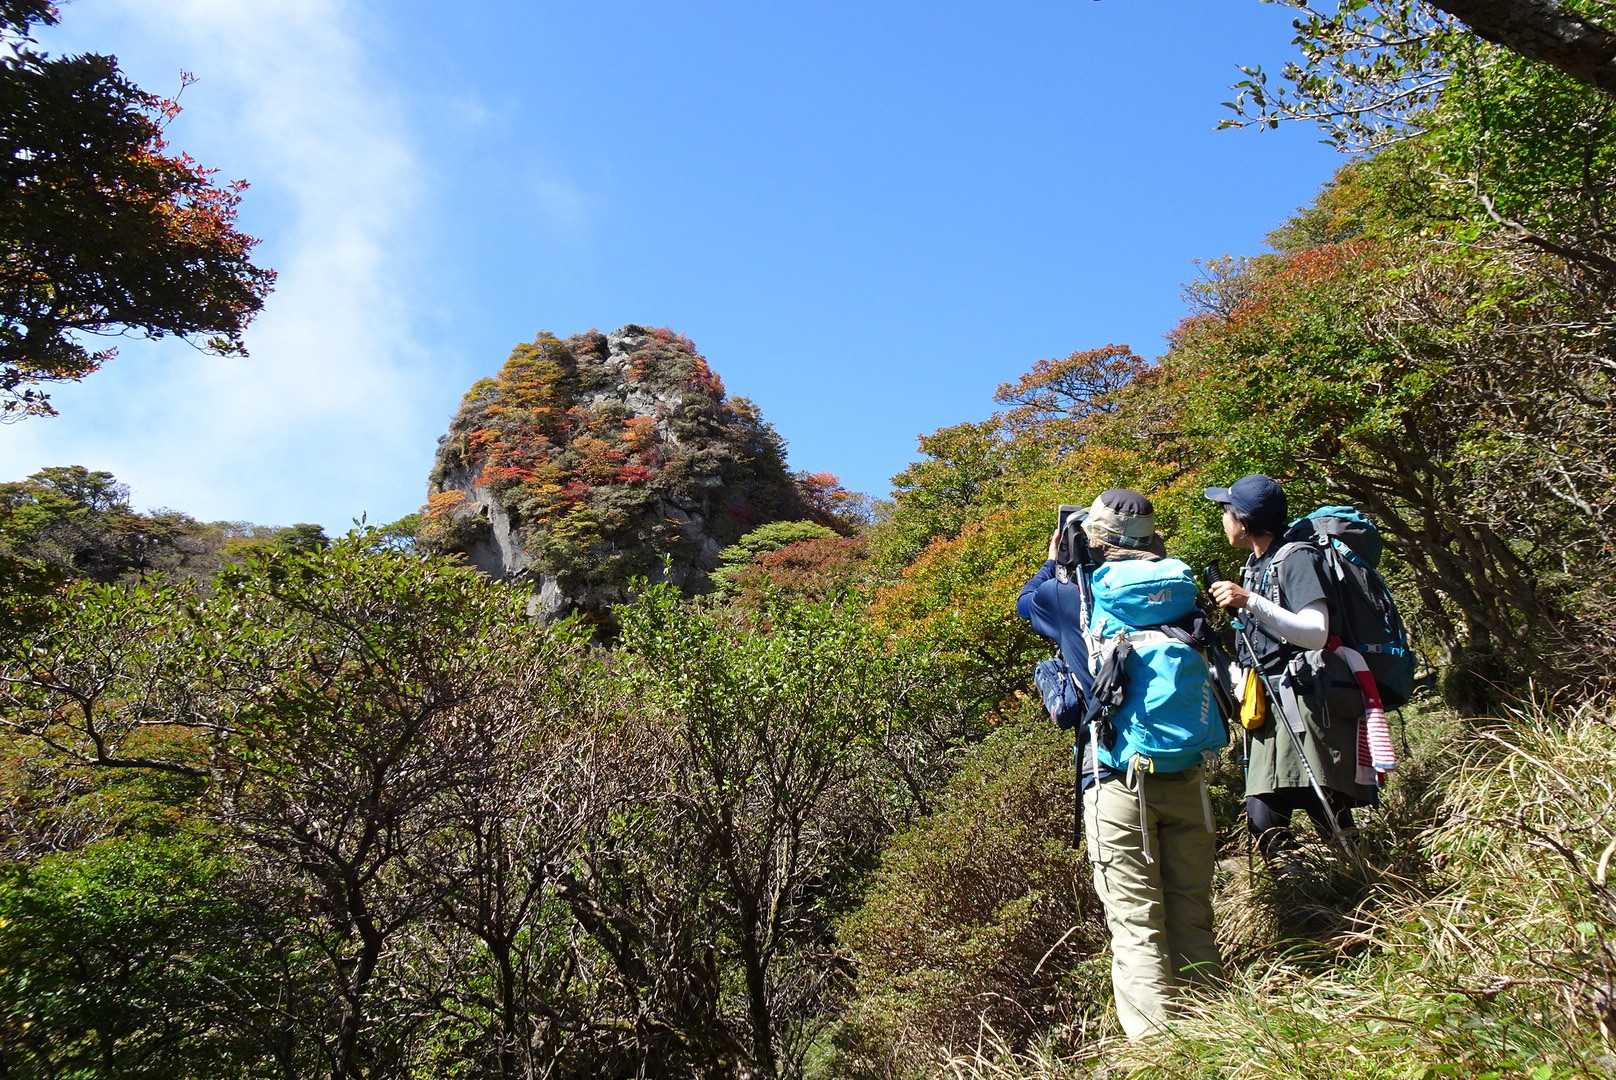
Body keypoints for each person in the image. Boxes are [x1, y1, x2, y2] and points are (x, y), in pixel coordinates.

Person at [1017, 488, 1222, 1042]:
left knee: (1136, 926)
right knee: (1191, 911)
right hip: (1187, 771)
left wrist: (1058, 558)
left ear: (1092, 538)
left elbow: (1027, 602)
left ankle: (1160, 1053)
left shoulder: (1072, 597)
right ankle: (1219, 1037)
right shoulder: (1180, 588)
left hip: (1114, 778)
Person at [1203, 474, 1377, 859]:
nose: (1223, 519)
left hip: (1305, 704)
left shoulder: (1296, 558)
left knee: (1325, 806)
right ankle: (1307, 888)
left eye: (1226, 511)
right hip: (1270, 708)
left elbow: (1316, 632)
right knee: (1264, 817)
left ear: (1244, 520)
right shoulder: (1255, 564)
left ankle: (1362, 881)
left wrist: (1250, 601)